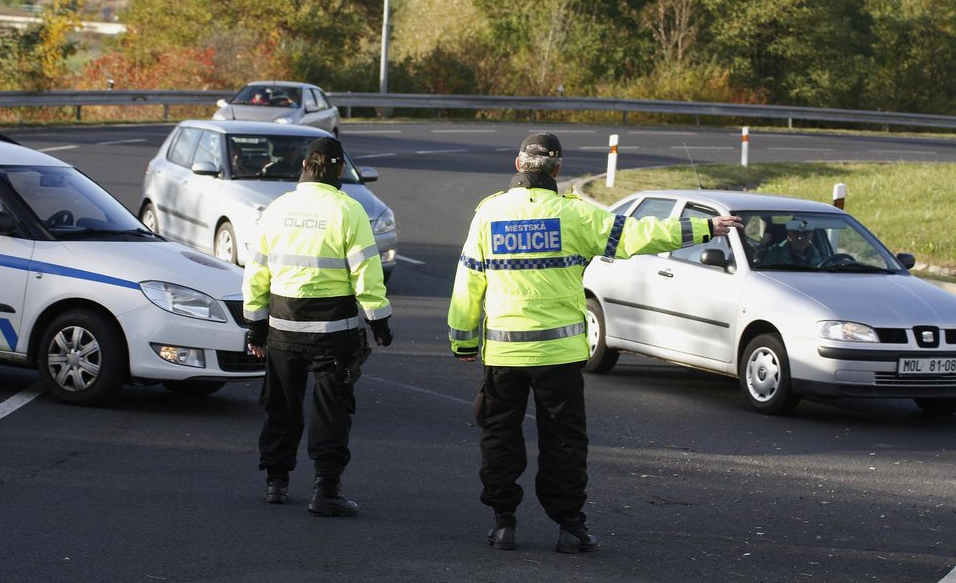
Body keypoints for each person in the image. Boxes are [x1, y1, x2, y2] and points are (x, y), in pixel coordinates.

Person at [447, 132, 742, 553]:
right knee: (564, 442)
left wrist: (462, 341)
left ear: (518, 166)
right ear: (558, 171)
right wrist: (704, 227)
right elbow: (639, 235)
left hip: (504, 353)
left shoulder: (488, 214)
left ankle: (503, 523)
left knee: (500, 437)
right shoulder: (577, 215)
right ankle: (570, 527)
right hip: (560, 355)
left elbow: (468, 280)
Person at [243, 136, 394, 516]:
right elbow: (366, 271)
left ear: (305, 166)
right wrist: (379, 320)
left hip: (282, 328)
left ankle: (276, 483)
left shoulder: (277, 209)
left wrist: (255, 327)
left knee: (280, 406)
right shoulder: (349, 209)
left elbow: (256, 273)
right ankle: (326, 490)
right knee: (332, 411)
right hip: (333, 333)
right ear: (339, 168)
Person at [756, 222, 821, 267]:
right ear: (789, 234)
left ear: (812, 235)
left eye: (805, 233)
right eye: (796, 233)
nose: (800, 237)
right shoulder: (773, 256)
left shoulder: (823, 259)